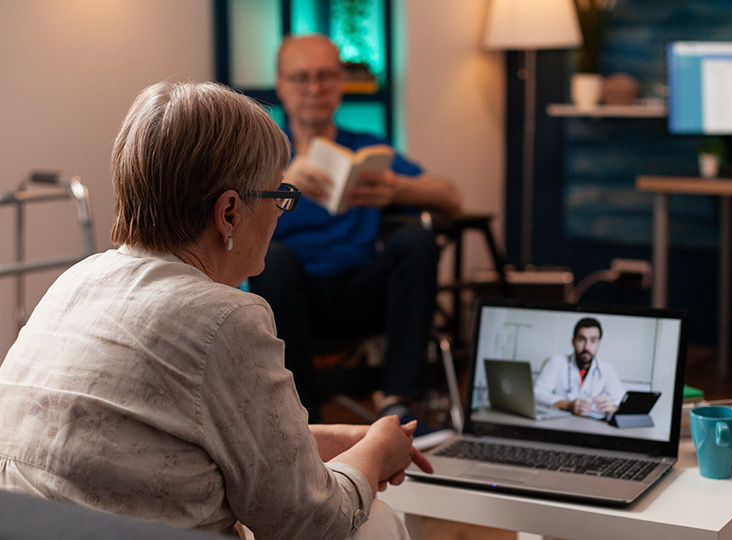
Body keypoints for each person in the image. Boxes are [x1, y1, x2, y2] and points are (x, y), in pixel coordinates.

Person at [0, 81, 432, 540]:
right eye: (278, 194)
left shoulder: (73, 282)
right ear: (229, 212)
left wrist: (319, 443)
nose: (281, 211)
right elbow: (313, 523)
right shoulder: (223, 317)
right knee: (375, 521)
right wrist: (379, 449)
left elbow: (154, 439)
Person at [248, 34, 462, 426]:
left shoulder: (367, 147)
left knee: (416, 240)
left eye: (326, 76)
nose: (314, 88)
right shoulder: (260, 156)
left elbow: (450, 196)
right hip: (293, 299)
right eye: (301, 78)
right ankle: (304, 421)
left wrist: (397, 188)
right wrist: (282, 184)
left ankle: (399, 403)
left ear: (341, 83)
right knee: (275, 261)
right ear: (280, 85)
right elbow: (230, 225)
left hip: (364, 292)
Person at [534, 317, 626, 417]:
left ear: (599, 344)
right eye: (581, 340)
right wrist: (568, 405)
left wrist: (613, 407)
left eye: (593, 341)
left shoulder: (607, 369)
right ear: (573, 341)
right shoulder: (557, 362)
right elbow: (537, 394)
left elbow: (622, 401)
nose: (587, 347)